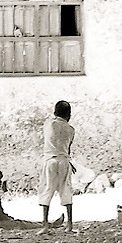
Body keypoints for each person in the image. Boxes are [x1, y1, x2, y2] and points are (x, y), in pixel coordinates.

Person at [37, 100, 77, 234]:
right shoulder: (71, 129)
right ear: (69, 114)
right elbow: (67, 150)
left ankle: (45, 225)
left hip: (50, 160)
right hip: (64, 161)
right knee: (66, 189)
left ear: (55, 112)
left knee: (47, 189)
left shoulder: (49, 124)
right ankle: (70, 224)